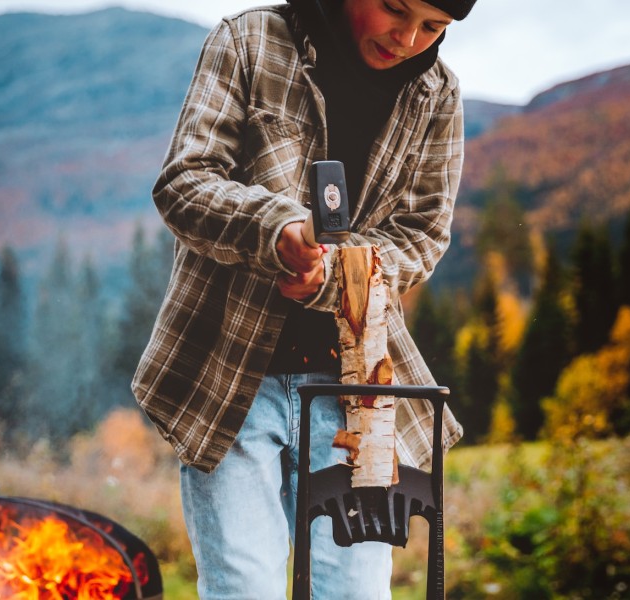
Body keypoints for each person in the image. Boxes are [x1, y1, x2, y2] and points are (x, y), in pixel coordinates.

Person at [132, 0, 475, 596]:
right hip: (230, 379)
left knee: (356, 594)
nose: (409, 37)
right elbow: (184, 182)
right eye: (395, 9)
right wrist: (276, 230)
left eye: (434, 27)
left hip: (360, 393)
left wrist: (336, 276)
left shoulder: (437, 95)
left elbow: (422, 236)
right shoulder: (251, 41)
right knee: (244, 589)